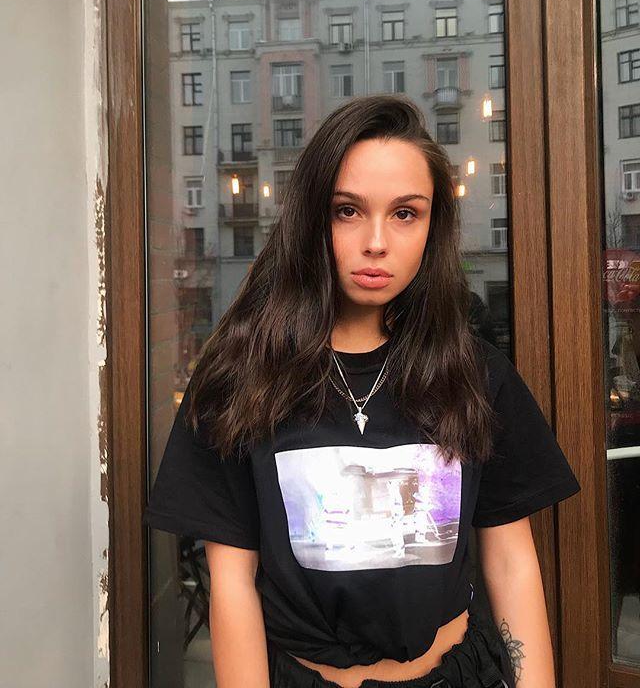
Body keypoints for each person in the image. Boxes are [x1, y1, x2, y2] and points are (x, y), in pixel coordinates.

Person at [143, 94, 581, 688]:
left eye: (405, 214)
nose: (376, 242)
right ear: (311, 219)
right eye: (347, 211)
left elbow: (510, 559)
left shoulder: (474, 374)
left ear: (432, 227)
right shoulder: (242, 377)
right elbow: (231, 581)